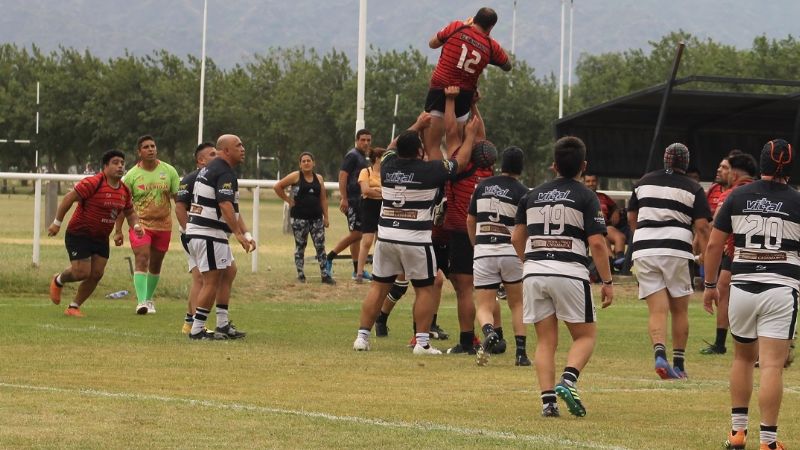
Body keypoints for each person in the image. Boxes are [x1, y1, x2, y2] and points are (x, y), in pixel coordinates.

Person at [352, 110, 479, 354]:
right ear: (420, 152)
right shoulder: (430, 170)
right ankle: (421, 342)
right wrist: (470, 136)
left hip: (387, 237)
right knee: (424, 289)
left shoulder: (387, 166)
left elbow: (390, 145)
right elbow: (460, 162)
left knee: (378, 287)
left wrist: (417, 124)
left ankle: (362, 337)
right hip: (416, 240)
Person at [703, 139, 796, 450]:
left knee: (742, 359)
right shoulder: (796, 201)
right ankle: (768, 442)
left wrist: (709, 285)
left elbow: (714, 245)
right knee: (770, 365)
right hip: (781, 289)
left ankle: (737, 433)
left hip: (742, 288)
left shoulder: (738, 196)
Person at [511, 136, 613, 418]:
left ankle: (548, 403)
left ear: (553, 165)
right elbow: (597, 244)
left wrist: (528, 262)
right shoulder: (586, 196)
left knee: (545, 341)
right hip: (569, 271)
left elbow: (517, 236)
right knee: (585, 336)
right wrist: (607, 281)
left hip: (535, 272)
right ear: (584, 166)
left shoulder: (530, 196)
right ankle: (568, 381)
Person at [628, 143, 711, 379]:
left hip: (644, 248)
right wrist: (705, 256)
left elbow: (631, 216)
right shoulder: (693, 188)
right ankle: (680, 365)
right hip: (676, 248)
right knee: (679, 309)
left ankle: (659, 354)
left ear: (665, 160)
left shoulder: (643, 182)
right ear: (685, 163)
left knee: (657, 308)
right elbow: (703, 227)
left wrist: (640, 238)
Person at [48, 150, 144, 316]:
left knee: (97, 273)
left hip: (100, 237)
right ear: (105, 166)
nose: (120, 165)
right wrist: (57, 223)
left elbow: (130, 212)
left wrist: (136, 225)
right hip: (80, 233)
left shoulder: (124, 191)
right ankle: (58, 280)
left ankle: (73, 307)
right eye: (115, 162)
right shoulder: (94, 183)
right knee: (82, 272)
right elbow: (69, 198)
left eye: (122, 162)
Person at [439, 86, 495, 355]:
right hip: (487, 234)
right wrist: (473, 107)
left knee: (464, 289)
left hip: (462, 232)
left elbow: (450, 132)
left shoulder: (459, 168)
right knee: (487, 288)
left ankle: (466, 341)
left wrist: (449, 100)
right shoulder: (488, 169)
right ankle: (498, 337)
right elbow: (481, 137)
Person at [184, 134, 255, 340]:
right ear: (226, 151)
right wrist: (239, 235)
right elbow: (225, 206)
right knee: (211, 281)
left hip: (203, 233)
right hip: (208, 234)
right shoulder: (224, 172)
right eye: (238, 145)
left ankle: (222, 324)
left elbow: (232, 208)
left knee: (229, 271)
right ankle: (197, 329)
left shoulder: (212, 170)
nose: (243, 148)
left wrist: (246, 233)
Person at [468, 146, 532, 367]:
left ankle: (489, 331)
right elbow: (525, 228)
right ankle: (521, 354)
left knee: (484, 305)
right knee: (517, 304)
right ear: (520, 168)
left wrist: (476, 245)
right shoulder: (523, 191)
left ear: (501, 164)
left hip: (484, 251)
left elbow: (470, 219)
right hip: (510, 251)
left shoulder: (482, 186)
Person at [423, 7, 511, 155]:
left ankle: (435, 176)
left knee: (432, 146)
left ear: (474, 18)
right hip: (463, 95)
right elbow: (508, 65)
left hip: (440, 88)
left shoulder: (457, 26)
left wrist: (465, 24)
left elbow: (432, 43)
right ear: (491, 27)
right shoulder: (491, 45)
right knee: (455, 147)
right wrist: (490, 43)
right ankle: (454, 177)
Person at [700, 152, 757, 356]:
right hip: (768, 256)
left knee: (725, 292)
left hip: (736, 253)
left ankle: (722, 342)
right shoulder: (763, 193)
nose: (722, 171)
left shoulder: (731, 194)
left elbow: (717, 227)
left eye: (725, 168)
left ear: (734, 174)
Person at [116, 135, 180, 315]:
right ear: (139, 152)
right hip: (140, 225)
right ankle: (141, 302)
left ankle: (149, 299)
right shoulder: (131, 176)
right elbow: (123, 206)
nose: (151, 149)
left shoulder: (169, 171)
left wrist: (186, 224)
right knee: (142, 258)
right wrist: (118, 230)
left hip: (164, 226)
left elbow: (179, 201)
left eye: (153, 146)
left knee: (156, 264)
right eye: (146, 147)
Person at [274, 152, 335, 285]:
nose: (306, 163)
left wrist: (326, 217)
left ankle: (325, 275)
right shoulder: (296, 176)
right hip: (299, 219)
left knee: (320, 247)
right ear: (300, 164)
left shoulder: (318, 178)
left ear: (314, 163)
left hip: (317, 219)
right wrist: (288, 200)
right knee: (300, 246)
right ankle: (300, 274)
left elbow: (323, 198)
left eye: (309, 160)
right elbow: (278, 187)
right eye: (303, 161)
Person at [325, 129, 371, 281]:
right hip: (352, 201)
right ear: (357, 140)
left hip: (360, 201)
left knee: (356, 236)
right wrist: (344, 198)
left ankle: (356, 270)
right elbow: (343, 175)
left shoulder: (363, 157)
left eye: (368, 140)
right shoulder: (352, 155)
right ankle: (329, 257)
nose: (366, 143)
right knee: (357, 234)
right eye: (363, 140)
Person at [354, 147, 386, 283]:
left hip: (383, 208)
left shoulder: (386, 173)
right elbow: (365, 190)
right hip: (368, 207)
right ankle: (359, 272)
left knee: (380, 242)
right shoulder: (365, 171)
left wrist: (376, 190)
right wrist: (381, 191)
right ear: (377, 158)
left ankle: (377, 271)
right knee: (367, 241)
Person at [583, 173, 627, 268]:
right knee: (602, 239)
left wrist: (615, 212)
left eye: (593, 181)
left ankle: (619, 259)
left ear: (597, 182)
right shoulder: (581, 196)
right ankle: (612, 261)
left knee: (620, 236)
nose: (591, 183)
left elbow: (614, 206)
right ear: (584, 183)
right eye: (588, 181)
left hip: (605, 226)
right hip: (590, 229)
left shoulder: (603, 196)